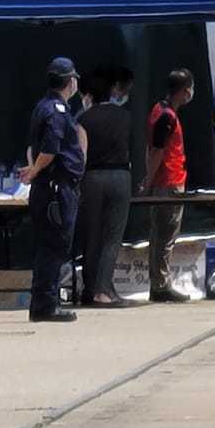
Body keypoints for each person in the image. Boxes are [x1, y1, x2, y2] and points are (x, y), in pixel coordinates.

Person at [20, 58, 86, 323]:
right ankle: (46, 305)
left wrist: (34, 170)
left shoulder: (43, 107)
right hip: (56, 189)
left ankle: (44, 302)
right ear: (70, 81)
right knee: (55, 245)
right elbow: (50, 148)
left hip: (48, 187)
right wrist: (35, 170)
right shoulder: (57, 110)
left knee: (50, 245)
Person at [75, 67, 136, 307]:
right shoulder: (125, 116)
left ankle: (91, 289)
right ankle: (103, 289)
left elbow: (81, 154)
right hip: (120, 175)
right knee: (112, 237)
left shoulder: (83, 118)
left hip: (92, 177)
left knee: (92, 236)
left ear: (89, 95)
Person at [142, 69, 195, 303]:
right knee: (165, 236)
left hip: (166, 182)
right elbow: (156, 152)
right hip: (169, 183)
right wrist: (149, 182)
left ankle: (159, 283)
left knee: (160, 236)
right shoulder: (167, 116)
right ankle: (161, 285)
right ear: (184, 91)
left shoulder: (160, 110)